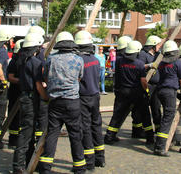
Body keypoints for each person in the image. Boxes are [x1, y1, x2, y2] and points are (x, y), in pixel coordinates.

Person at [38, 32, 86, 174]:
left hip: (55, 102)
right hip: (72, 102)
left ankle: (45, 167)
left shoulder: (51, 59)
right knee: (75, 135)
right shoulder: (78, 60)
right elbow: (79, 78)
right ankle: (79, 166)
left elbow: (45, 78)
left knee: (52, 134)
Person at [104, 41, 154, 147]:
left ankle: (109, 136)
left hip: (122, 92)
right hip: (137, 93)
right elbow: (143, 81)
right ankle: (150, 138)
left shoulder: (119, 61)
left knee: (117, 115)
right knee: (145, 115)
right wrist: (147, 91)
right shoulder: (139, 64)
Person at [12, 32, 47, 174]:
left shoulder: (22, 60)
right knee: (27, 133)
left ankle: (28, 161)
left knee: (29, 131)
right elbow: (39, 85)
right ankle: (18, 165)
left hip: (25, 97)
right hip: (32, 99)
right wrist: (46, 98)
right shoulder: (35, 63)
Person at [75, 30, 105, 169]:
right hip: (95, 96)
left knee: (85, 128)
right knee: (96, 126)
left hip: (83, 97)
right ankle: (100, 158)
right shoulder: (95, 60)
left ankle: (89, 161)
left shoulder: (78, 61)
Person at [154, 40, 181, 156]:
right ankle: (160, 146)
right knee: (168, 117)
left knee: (165, 116)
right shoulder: (178, 63)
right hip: (170, 92)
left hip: (160, 91)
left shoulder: (162, 63)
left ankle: (170, 139)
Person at [139, 35, 162, 133]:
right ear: (153, 46)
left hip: (157, 86)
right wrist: (149, 65)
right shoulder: (143, 54)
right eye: (158, 45)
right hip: (147, 85)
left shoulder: (157, 55)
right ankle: (148, 132)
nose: (159, 47)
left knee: (156, 108)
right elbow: (139, 66)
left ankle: (158, 128)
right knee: (144, 108)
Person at [7, 39, 24, 149]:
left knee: (19, 118)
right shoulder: (14, 61)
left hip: (19, 91)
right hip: (15, 91)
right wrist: (21, 81)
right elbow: (10, 77)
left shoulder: (21, 60)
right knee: (14, 117)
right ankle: (13, 140)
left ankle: (16, 139)